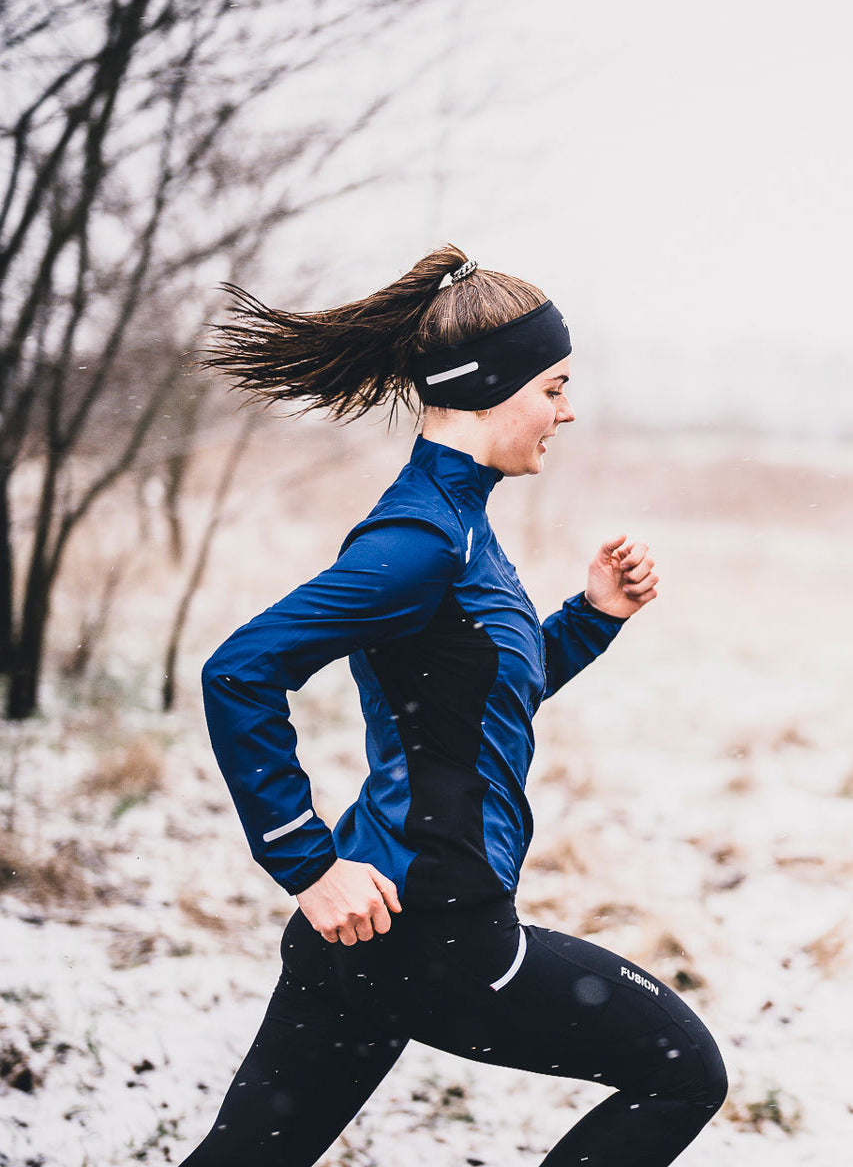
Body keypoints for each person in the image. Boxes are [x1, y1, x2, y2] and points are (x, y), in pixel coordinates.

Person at [179, 246, 727, 1166]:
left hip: (365, 934)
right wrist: (307, 865)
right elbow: (239, 673)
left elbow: (472, 701)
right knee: (682, 1071)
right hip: (434, 932)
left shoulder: (458, 522)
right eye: (552, 387)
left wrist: (592, 619)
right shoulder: (420, 544)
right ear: (494, 387)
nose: (566, 409)